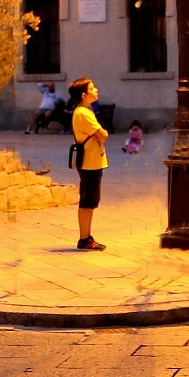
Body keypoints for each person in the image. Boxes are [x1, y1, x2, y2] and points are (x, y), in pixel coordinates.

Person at [67, 78, 108, 251]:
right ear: (84, 95)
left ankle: (87, 237)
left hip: (92, 160)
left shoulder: (84, 111)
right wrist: (102, 133)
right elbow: (103, 134)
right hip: (90, 162)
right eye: (92, 88)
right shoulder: (83, 113)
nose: (96, 90)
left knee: (90, 201)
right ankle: (84, 238)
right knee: (87, 201)